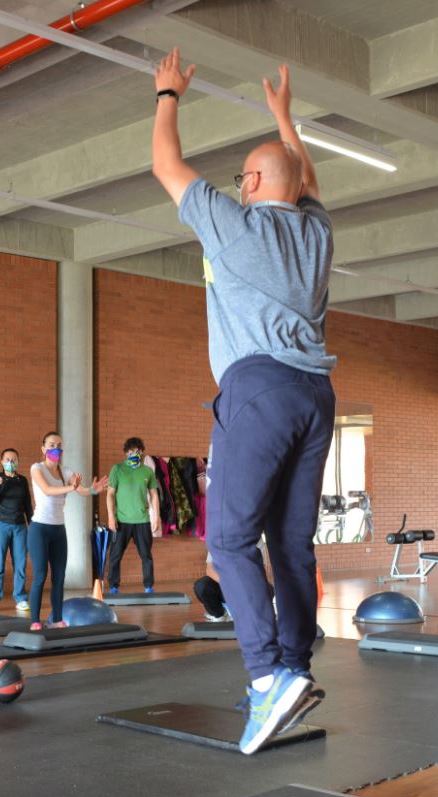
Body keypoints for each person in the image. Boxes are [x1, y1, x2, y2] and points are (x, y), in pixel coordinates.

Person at [152, 51, 334, 754]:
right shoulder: (316, 234)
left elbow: (166, 164)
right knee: (290, 544)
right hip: (315, 394)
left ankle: (266, 678)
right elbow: (304, 176)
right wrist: (285, 118)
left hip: (258, 388)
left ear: (252, 183)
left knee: (227, 539)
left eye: (241, 177)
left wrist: (168, 92)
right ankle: (292, 667)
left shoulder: (236, 224)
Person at [28, 432, 105, 630]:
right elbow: (47, 490)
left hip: (58, 530)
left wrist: (93, 489)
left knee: (60, 577)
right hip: (39, 529)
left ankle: (57, 619)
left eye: (59, 445)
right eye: (51, 445)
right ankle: (35, 621)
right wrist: (71, 488)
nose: (56, 449)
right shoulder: (37, 468)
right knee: (39, 576)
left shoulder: (65, 471)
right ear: (43, 448)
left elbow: (82, 490)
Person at [105, 436, 160, 594]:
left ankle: (149, 586)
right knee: (115, 555)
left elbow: (154, 495)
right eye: (130, 451)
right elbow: (110, 494)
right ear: (125, 453)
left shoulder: (147, 471)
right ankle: (114, 587)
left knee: (146, 555)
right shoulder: (117, 469)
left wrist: (156, 518)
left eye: (136, 451)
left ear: (141, 451)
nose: (134, 453)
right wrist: (110, 516)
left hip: (142, 520)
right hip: (121, 520)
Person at [0, 447, 31, 614]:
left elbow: (27, 505)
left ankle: (21, 598)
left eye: (14, 459)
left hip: (19, 526)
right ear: (2, 462)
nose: (11, 462)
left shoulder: (23, 480)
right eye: (8, 460)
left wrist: (31, 524)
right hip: (0, 525)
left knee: (20, 564)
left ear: (18, 461)